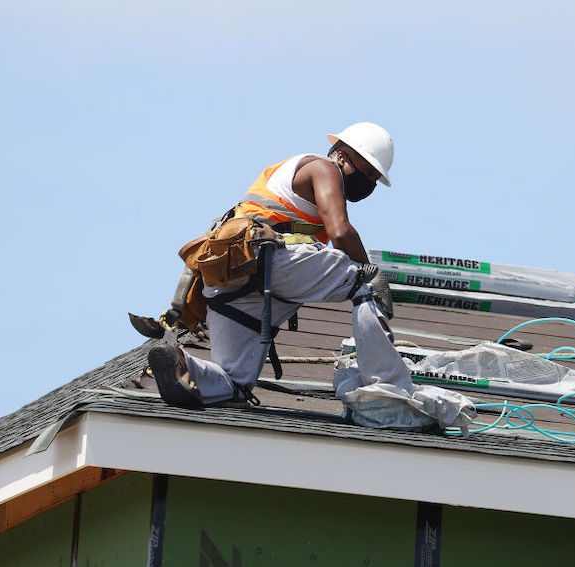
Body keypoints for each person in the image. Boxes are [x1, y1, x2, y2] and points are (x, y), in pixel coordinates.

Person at [148, 122, 418, 411]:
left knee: (234, 384)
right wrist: (371, 273)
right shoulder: (324, 169)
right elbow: (341, 233)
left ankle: (180, 362)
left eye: (374, 179)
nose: (369, 184)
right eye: (367, 173)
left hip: (228, 276)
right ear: (342, 156)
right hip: (268, 261)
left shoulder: (289, 177)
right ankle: (388, 388)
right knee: (365, 282)